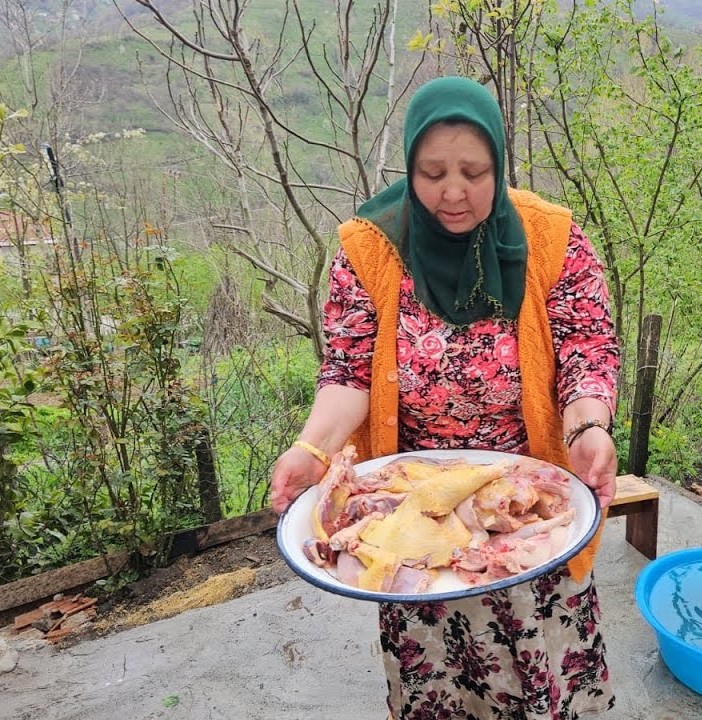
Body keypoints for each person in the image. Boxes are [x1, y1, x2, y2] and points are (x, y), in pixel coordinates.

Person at [269, 76, 620, 720]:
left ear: (499, 163)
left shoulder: (552, 240)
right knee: (440, 680)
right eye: (432, 173)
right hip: (410, 502)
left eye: (473, 171)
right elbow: (347, 372)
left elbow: (586, 351)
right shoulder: (369, 248)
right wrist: (311, 449)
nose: (452, 192)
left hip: (523, 498)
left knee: (538, 667)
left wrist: (587, 429)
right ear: (408, 167)